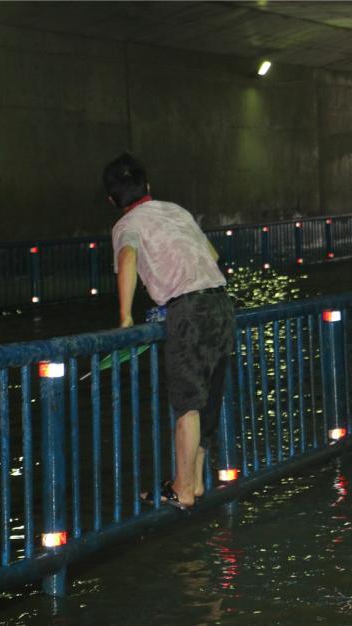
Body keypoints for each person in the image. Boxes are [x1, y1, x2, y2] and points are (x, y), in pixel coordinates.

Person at [104, 153, 234, 508]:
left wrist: (126, 316)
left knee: (187, 404)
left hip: (188, 310)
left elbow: (128, 258)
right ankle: (193, 482)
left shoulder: (125, 225)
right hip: (221, 303)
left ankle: (182, 490)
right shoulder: (176, 211)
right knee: (208, 397)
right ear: (148, 187)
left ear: (113, 200)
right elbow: (212, 253)